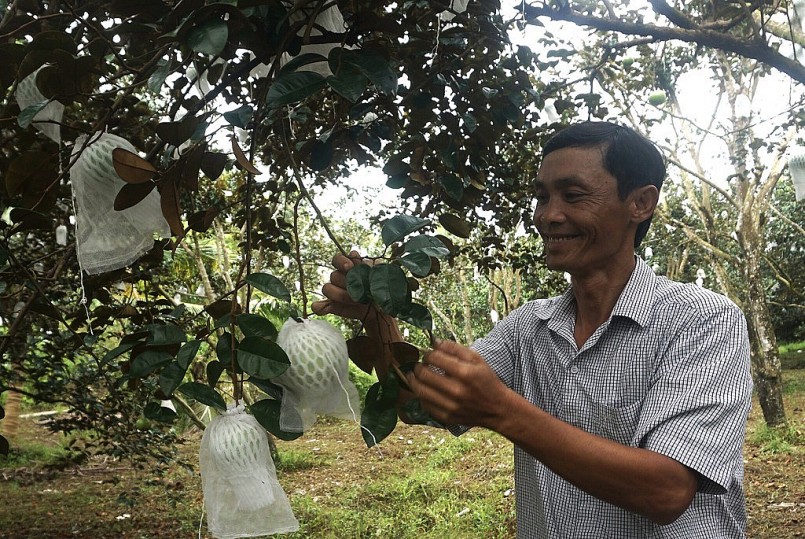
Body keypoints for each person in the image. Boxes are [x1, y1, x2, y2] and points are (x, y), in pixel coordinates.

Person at [312, 121, 753, 538]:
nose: (548, 216)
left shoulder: (702, 319)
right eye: (542, 198)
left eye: (574, 195)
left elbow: (667, 490)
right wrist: (378, 317)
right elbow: (427, 399)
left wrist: (503, 410)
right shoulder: (531, 325)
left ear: (641, 203)